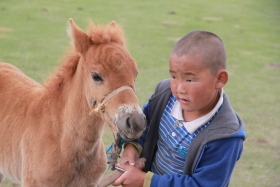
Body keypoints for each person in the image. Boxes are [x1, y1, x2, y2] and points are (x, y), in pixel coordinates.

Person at [112, 30, 246, 187]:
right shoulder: (164, 95)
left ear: (219, 79)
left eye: (189, 79)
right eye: (174, 77)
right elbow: (144, 129)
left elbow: (203, 184)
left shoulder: (226, 136)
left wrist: (146, 181)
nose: (179, 88)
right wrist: (132, 147)